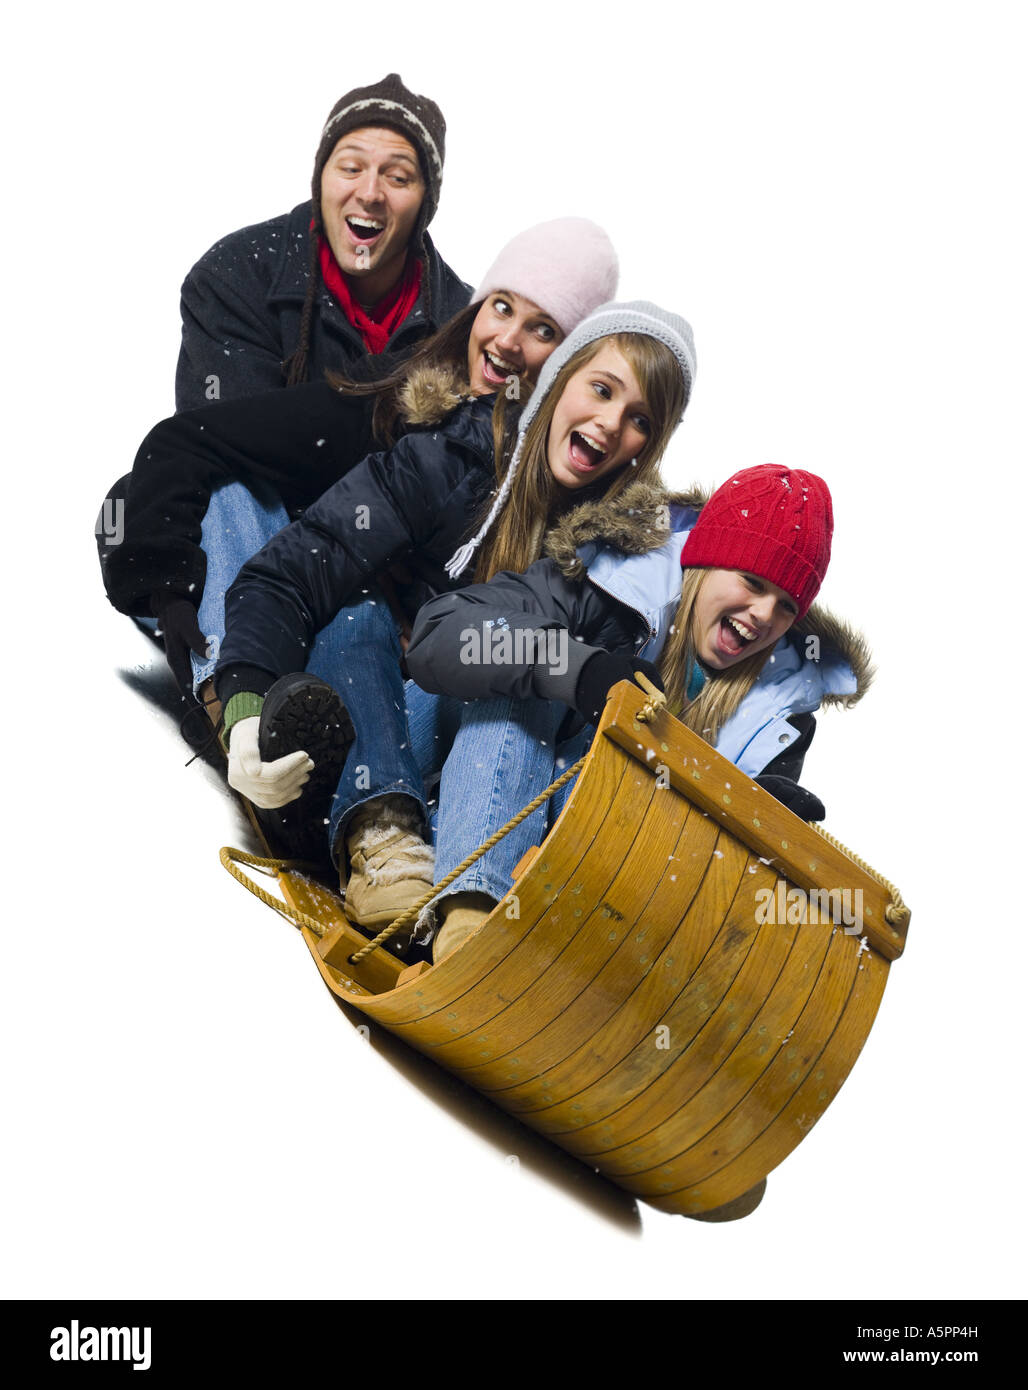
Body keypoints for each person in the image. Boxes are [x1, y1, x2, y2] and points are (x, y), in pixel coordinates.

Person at [214, 303, 698, 936]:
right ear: (558, 379)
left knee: (526, 672)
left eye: (640, 420)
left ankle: (465, 899)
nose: (611, 424)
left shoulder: (611, 563)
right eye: (602, 390)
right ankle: (381, 832)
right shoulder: (447, 460)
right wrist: (244, 704)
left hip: (465, 785)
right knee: (356, 608)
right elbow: (292, 570)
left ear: (650, 446)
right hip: (355, 723)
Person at [99, 219, 619, 717]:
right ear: (477, 308)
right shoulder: (391, 403)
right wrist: (168, 585)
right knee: (224, 498)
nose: (507, 341)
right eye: (501, 307)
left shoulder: (579, 477)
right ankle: (235, 707)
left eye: (543, 329)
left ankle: (300, 742)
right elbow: (193, 439)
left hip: (427, 689)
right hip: (289, 616)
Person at [404, 463, 872, 961]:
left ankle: (499, 926)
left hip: (570, 862)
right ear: (705, 561)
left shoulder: (783, 716)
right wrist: (580, 671)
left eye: (786, 606)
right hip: (445, 773)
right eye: (753, 582)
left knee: (641, 798)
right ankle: (469, 912)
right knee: (527, 667)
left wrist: (760, 827)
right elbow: (443, 631)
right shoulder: (604, 585)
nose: (764, 615)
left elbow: (702, 890)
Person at [175, 73, 470, 409]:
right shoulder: (233, 278)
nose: (370, 193)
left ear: (425, 205)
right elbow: (222, 434)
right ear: (320, 181)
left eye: (398, 177)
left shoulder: (471, 325)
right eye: (351, 168)